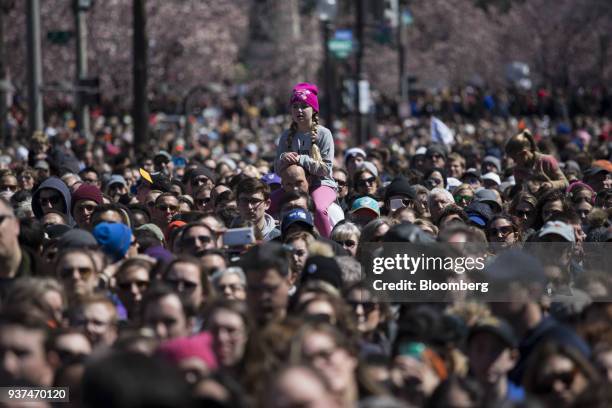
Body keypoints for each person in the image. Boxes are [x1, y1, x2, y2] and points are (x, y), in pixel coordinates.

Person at [275, 83, 336, 237]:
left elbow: (326, 169)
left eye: (304, 106)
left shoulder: (324, 134)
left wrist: (301, 159)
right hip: (293, 185)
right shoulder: (286, 135)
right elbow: (276, 169)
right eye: (295, 106)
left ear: (314, 110)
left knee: (320, 208)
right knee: (267, 204)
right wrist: (283, 159)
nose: (299, 110)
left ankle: (329, 244)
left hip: (320, 184)